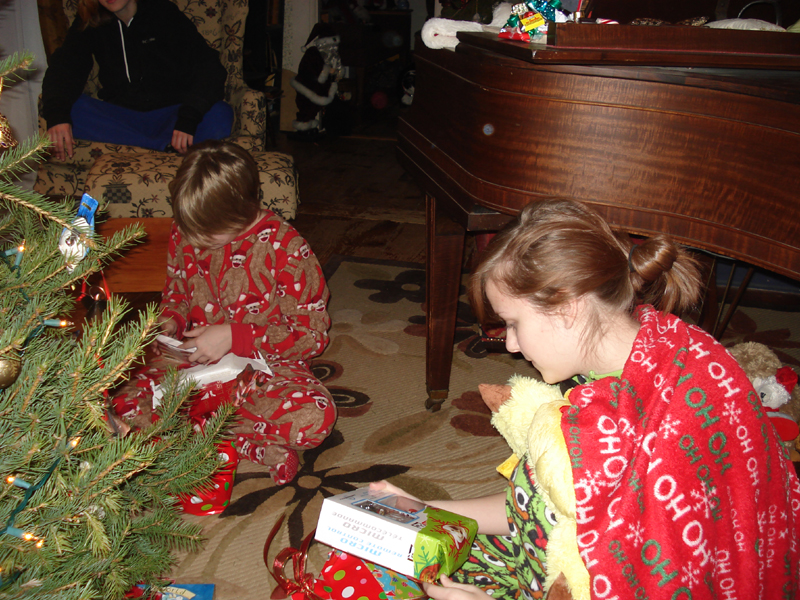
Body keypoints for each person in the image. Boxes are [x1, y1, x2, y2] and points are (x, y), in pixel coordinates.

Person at [373, 198, 800, 599]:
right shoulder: (667, 345)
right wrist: (429, 511)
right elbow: (539, 510)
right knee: (389, 551)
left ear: (567, 308)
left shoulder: (639, 430)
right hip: (546, 556)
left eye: (514, 323)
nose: (512, 345)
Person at [112, 140, 336, 487]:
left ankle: (187, 439)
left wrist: (236, 336)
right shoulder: (188, 230)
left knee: (314, 416)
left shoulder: (287, 247)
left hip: (264, 370)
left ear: (243, 210)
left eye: (207, 234)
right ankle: (246, 444)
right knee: (118, 402)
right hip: (192, 367)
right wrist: (170, 322)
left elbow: (311, 337)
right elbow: (177, 292)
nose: (196, 241)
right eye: (189, 231)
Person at [41, 0, 233, 161]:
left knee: (219, 113)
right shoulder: (90, 21)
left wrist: (188, 118)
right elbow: (66, 66)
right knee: (71, 110)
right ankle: (163, 147)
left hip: (171, 117)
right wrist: (58, 115)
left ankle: (150, 146)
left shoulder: (163, 13)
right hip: (122, 119)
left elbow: (208, 67)